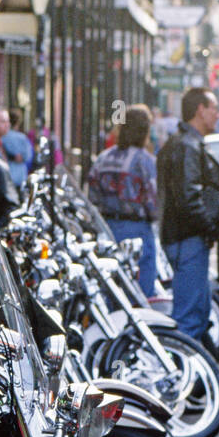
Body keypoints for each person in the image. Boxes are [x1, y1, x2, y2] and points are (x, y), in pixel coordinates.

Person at [156, 87, 219, 341]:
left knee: (197, 315)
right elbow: (188, 198)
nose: (217, 114)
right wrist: (209, 227)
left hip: (187, 239)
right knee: (189, 320)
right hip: (187, 239)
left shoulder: (185, 143)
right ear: (200, 110)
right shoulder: (187, 146)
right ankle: (183, 374)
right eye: (214, 108)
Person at [87, 104, 158, 296]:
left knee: (112, 289)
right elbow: (153, 201)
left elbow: (91, 196)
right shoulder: (146, 161)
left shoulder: (103, 158)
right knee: (141, 293)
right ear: (145, 131)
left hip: (107, 229)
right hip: (137, 230)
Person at [3, 108, 33, 186]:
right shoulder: (22, 138)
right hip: (20, 177)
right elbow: (28, 157)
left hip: (7, 176)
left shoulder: (3, 137)